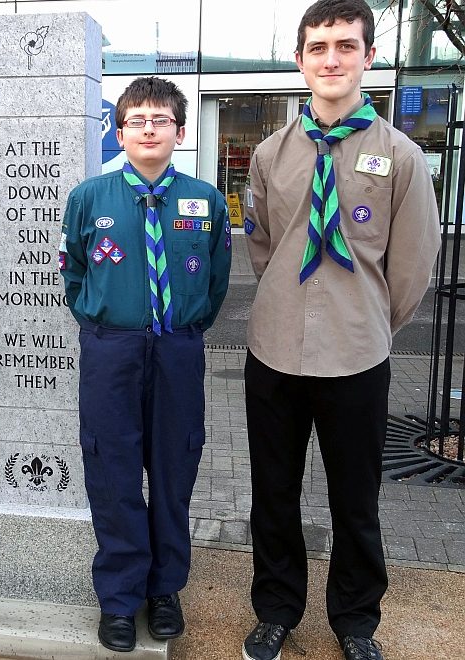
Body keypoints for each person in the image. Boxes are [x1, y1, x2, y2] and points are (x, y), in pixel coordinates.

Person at [242, 2, 441, 659]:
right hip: (274, 354)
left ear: (367, 57)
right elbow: (266, 249)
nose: (332, 58)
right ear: (300, 59)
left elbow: (412, 268)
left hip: (358, 359)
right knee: (273, 494)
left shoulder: (401, 156)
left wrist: (365, 324)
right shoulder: (269, 155)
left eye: (346, 46)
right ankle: (276, 610)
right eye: (319, 46)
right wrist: (289, 308)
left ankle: (355, 623)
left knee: (356, 502)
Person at [60, 76, 231, 652]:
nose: (149, 129)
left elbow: (215, 278)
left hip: (178, 348)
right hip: (113, 350)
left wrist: (186, 327)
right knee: (112, 471)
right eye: (137, 120)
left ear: (180, 133)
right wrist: (106, 325)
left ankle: (164, 588)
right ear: (120, 131)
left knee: (173, 467)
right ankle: (119, 595)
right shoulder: (89, 197)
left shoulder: (203, 200)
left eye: (161, 120)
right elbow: (76, 272)